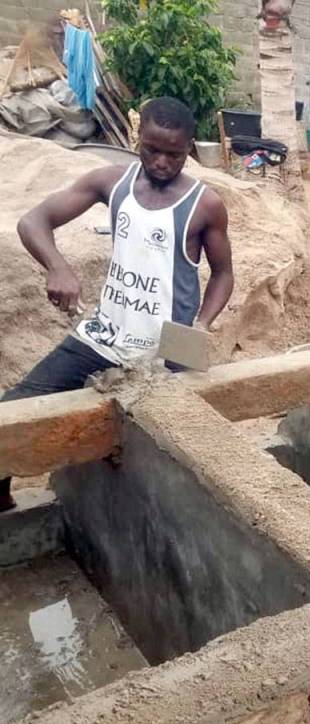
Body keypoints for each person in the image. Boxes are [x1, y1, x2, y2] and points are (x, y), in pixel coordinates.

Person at [0, 96, 234, 512]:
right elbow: (33, 221)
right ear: (136, 138)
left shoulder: (204, 205)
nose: (162, 162)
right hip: (103, 334)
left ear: (190, 149)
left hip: (167, 350)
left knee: (176, 453)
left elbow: (223, 274)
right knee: (13, 414)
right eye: (152, 150)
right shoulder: (112, 183)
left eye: (175, 155)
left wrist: (202, 324)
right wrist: (58, 267)